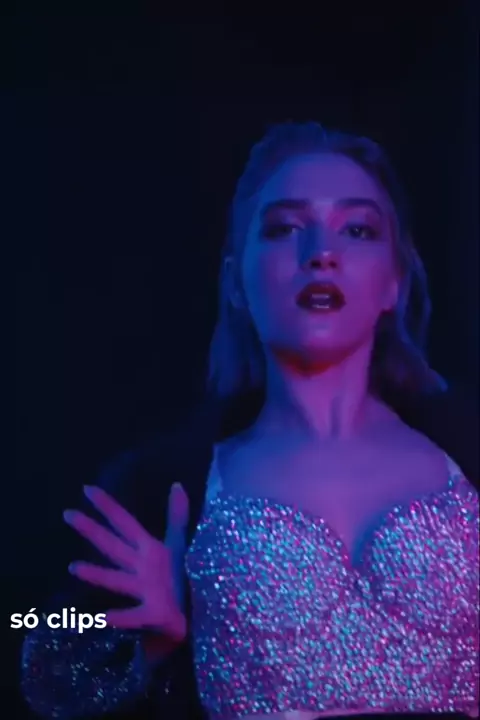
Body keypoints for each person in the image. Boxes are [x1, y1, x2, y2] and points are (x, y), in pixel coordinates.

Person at [21, 122, 479, 720]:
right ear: (236, 280)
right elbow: (33, 641)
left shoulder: (465, 455)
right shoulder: (162, 489)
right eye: (285, 228)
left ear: (393, 281)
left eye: (357, 229)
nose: (321, 253)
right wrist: (142, 644)